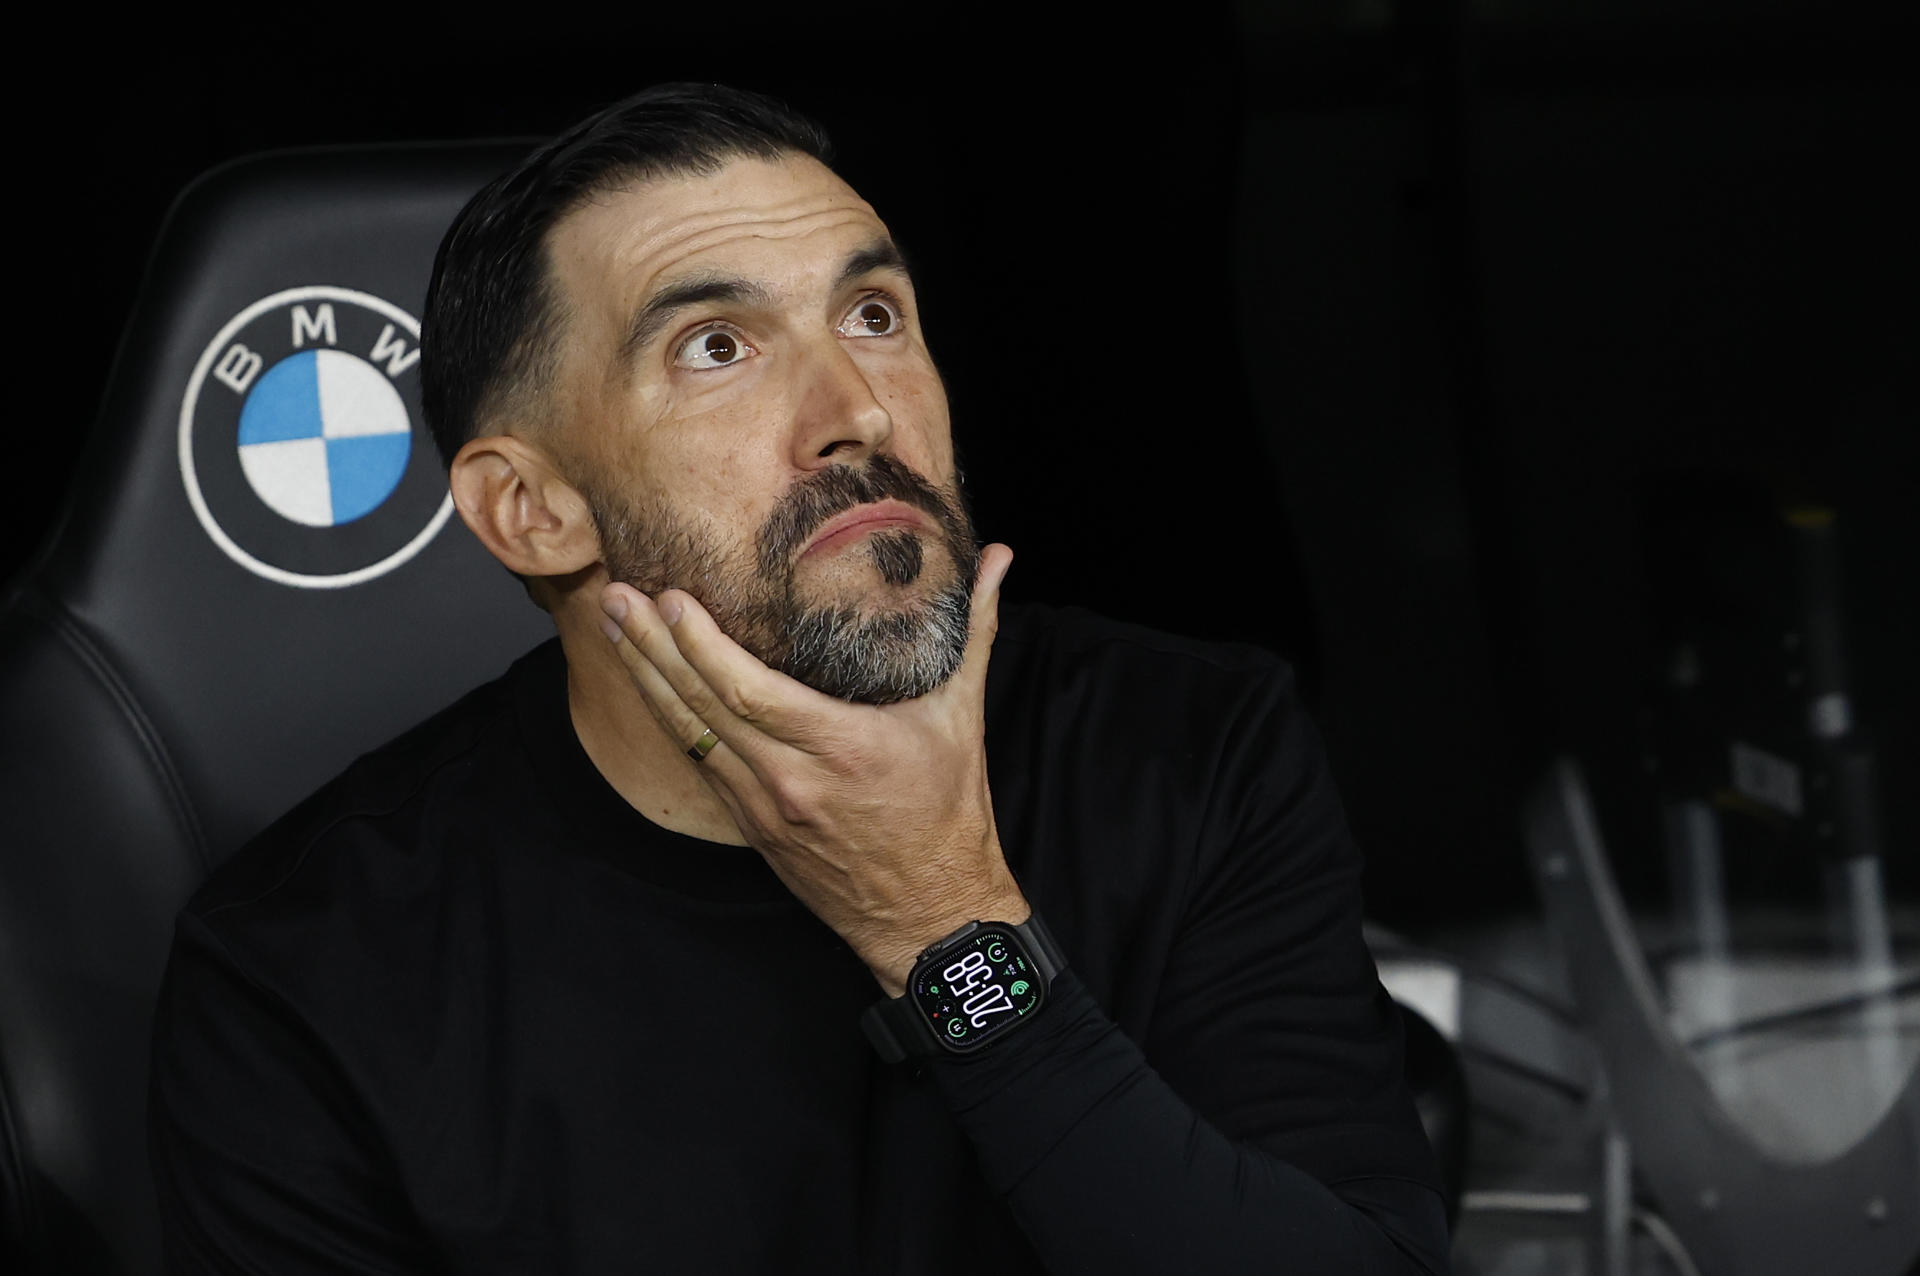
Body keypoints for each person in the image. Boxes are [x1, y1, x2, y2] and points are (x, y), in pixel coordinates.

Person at [148, 83, 1450, 1274]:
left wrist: (942, 925)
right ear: (531, 509)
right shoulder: (305, 977)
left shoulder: (1186, 749)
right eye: (718, 345)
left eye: (873, 316)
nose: (860, 409)